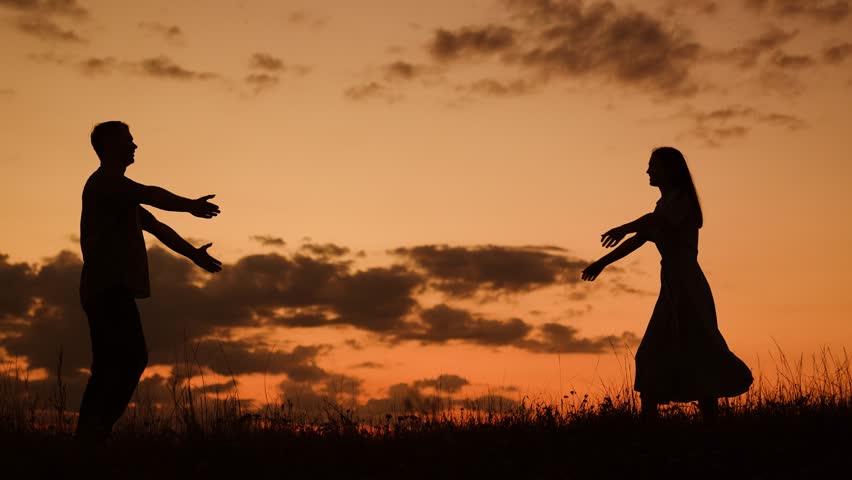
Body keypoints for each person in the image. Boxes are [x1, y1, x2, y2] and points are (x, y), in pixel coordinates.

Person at [76, 121, 222, 441]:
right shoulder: (105, 184)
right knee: (126, 360)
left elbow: (156, 225)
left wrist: (193, 254)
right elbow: (152, 195)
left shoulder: (119, 193)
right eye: (129, 141)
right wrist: (191, 205)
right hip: (106, 290)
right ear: (111, 146)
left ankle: (92, 432)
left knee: (115, 362)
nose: (134, 146)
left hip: (110, 290)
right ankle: (94, 431)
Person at [581, 146, 752, 419]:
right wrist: (602, 262)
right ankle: (652, 420)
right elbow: (641, 238)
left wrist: (623, 227)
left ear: (670, 170)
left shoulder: (681, 201)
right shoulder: (664, 204)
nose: (648, 171)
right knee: (655, 351)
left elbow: (652, 222)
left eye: (654, 165)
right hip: (672, 285)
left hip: (688, 286)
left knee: (698, 348)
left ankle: (707, 419)